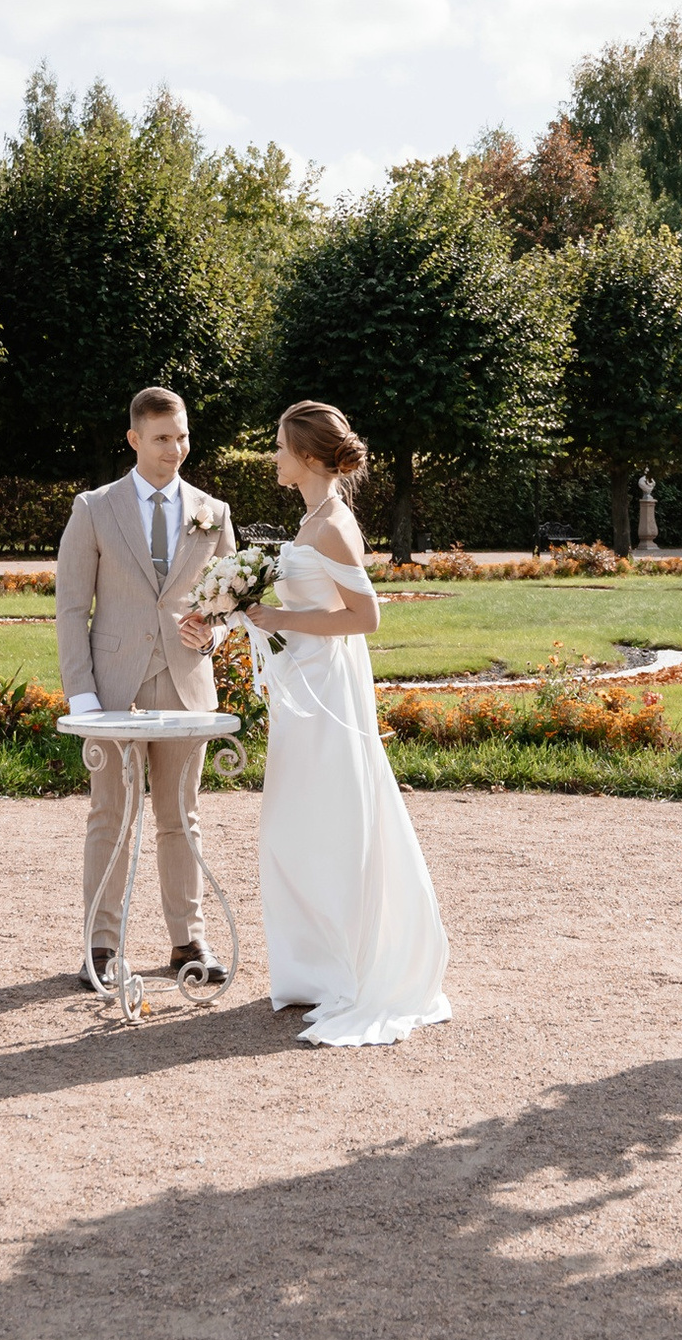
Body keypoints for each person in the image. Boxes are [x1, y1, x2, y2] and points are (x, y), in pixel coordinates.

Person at [208, 400, 452, 1047]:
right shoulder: (311, 516)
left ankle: (347, 968)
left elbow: (365, 616)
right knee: (295, 822)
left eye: (282, 448)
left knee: (328, 817)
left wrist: (279, 620)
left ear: (310, 458)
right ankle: (313, 970)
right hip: (303, 688)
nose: (275, 457)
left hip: (329, 694)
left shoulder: (334, 525)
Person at [54, 387, 240, 991]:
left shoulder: (213, 510)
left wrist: (210, 633)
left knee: (181, 818)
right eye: (163, 438)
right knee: (111, 815)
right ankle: (100, 946)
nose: (176, 449)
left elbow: (233, 603)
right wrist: (82, 695)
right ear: (134, 439)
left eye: (183, 436)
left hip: (186, 685)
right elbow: (71, 607)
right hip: (111, 691)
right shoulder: (94, 508)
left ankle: (189, 939)